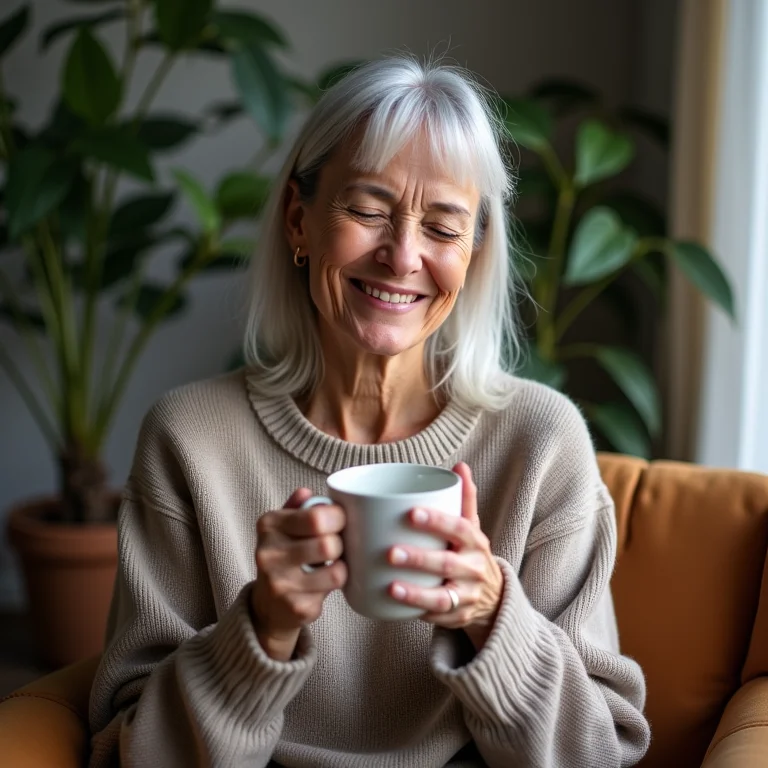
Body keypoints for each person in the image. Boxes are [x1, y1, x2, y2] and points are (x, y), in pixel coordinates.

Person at [88, 55, 651, 767]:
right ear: (299, 219)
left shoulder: (540, 442)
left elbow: (599, 751)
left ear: (475, 253)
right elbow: (129, 749)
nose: (402, 256)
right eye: (367, 210)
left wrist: (492, 616)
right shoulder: (190, 440)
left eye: (443, 227)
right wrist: (261, 630)